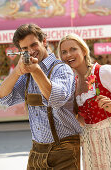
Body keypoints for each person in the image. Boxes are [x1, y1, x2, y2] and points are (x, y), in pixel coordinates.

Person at [0, 24, 82, 170]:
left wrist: (36, 71)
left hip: (64, 149)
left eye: (34, 45)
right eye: (24, 49)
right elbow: (3, 98)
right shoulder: (26, 75)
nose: (30, 51)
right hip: (37, 150)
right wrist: (17, 72)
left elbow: (56, 99)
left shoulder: (61, 69)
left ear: (44, 41)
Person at [58, 33, 111, 170]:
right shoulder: (71, 85)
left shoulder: (103, 72)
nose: (68, 54)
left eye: (73, 49)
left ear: (83, 50)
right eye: (64, 52)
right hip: (90, 143)